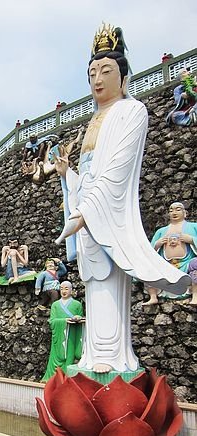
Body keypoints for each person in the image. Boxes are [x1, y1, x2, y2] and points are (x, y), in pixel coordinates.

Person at [55, 24, 190, 374]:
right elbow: (88, 172)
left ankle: (114, 358)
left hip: (105, 214)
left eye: (106, 71)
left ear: (123, 75)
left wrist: (87, 211)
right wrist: (67, 178)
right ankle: (91, 357)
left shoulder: (132, 112)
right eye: (92, 73)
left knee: (110, 283)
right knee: (92, 283)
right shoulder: (94, 119)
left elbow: (117, 170)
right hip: (88, 212)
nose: (97, 79)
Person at [144, 202, 197, 305]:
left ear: (185, 213)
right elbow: (148, 252)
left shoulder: (194, 227)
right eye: (171, 210)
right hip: (166, 265)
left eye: (178, 209)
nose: (174, 212)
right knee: (148, 267)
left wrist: (191, 239)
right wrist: (157, 245)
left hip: (187, 263)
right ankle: (153, 296)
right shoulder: (161, 231)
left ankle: (195, 296)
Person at [41, 281, 84, 382]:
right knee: (56, 355)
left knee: (69, 355)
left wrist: (78, 318)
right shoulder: (55, 305)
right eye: (61, 289)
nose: (64, 291)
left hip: (72, 336)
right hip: (59, 335)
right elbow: (52, 321)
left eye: (66, 288)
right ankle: (53, 378)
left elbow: (81, 319)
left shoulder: (77, 304)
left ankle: (66, 379)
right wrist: (65, 321)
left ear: (71, 290)